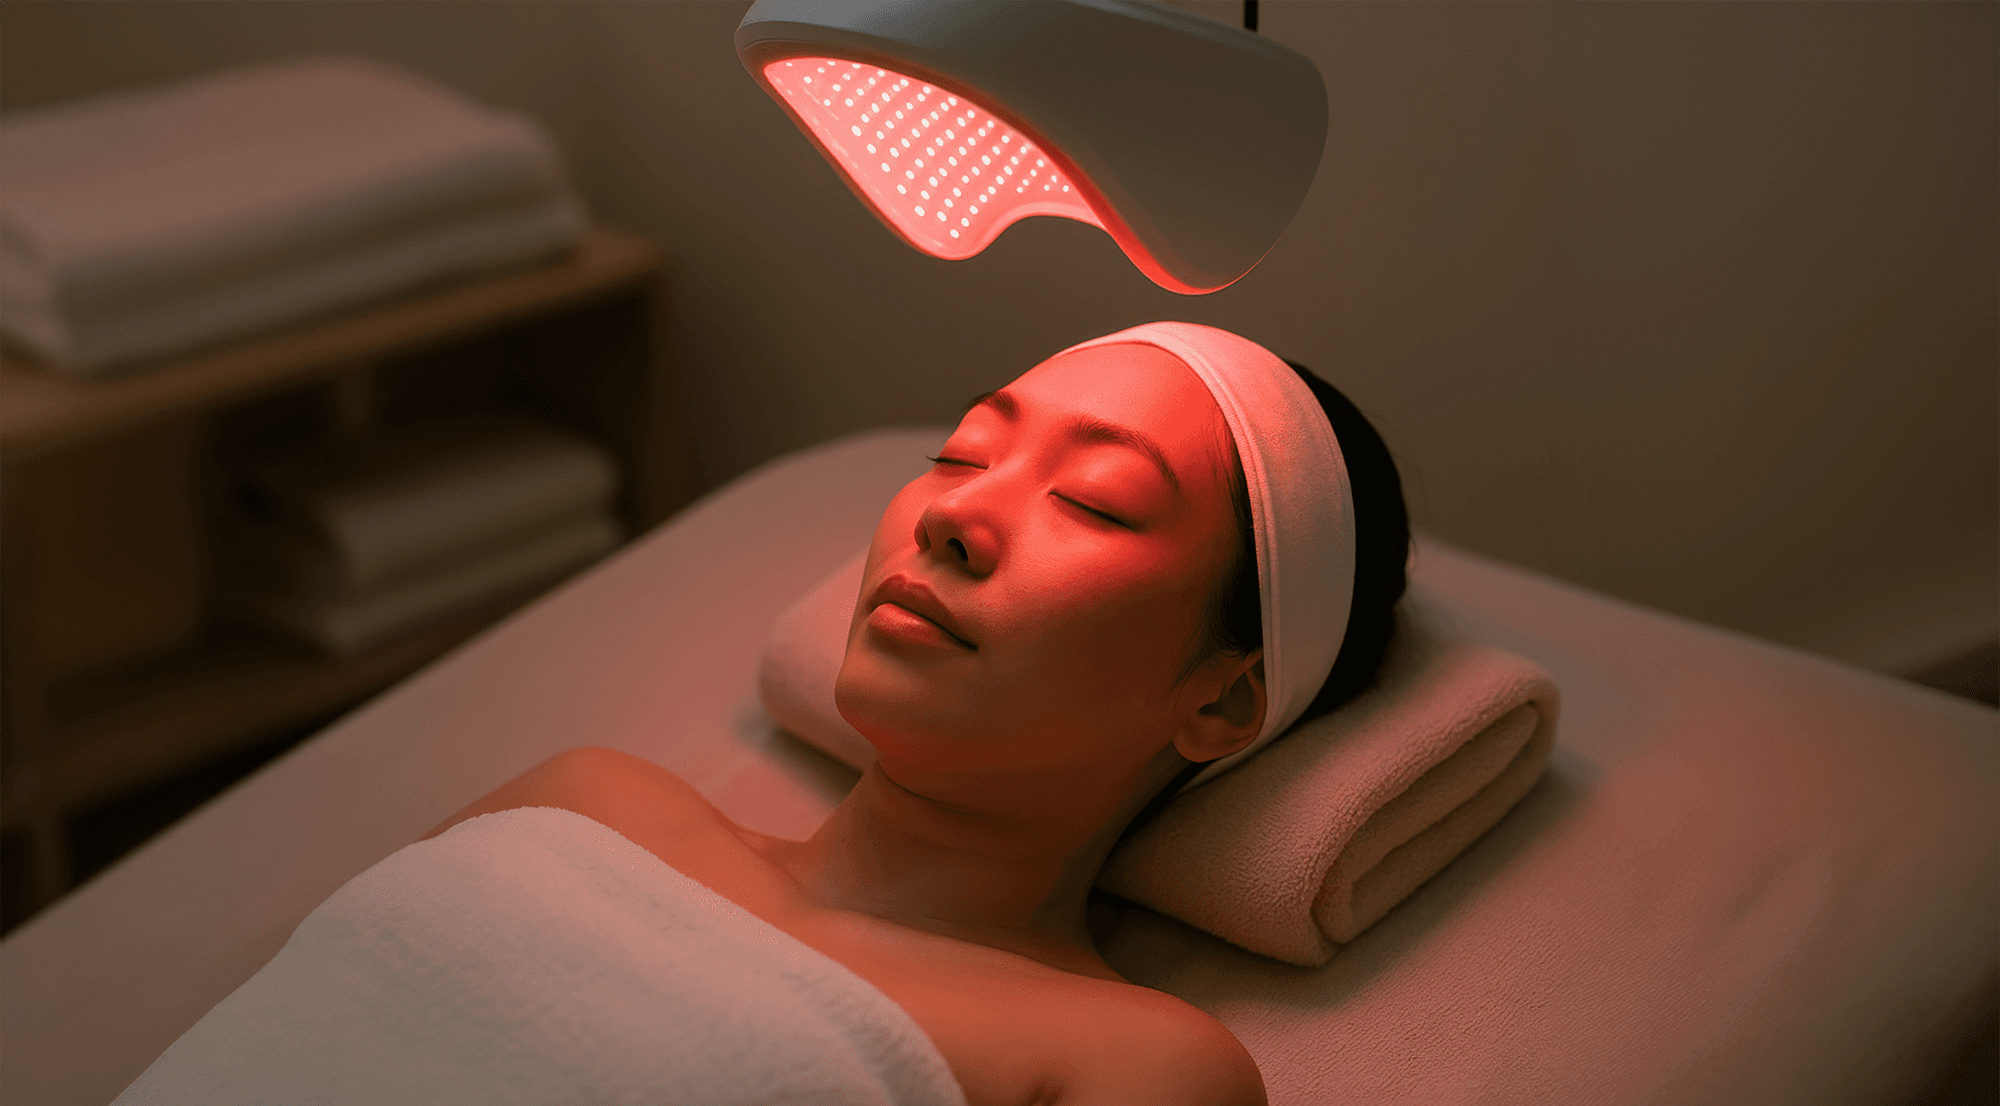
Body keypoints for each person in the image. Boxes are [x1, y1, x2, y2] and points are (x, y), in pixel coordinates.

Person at [425, 322, 1409, 1106]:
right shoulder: (589, 806)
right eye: (960, 453)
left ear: (1222, 697)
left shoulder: (1125, 1063)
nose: (951, 517)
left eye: (1097, 502)